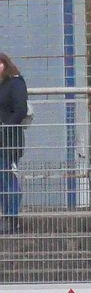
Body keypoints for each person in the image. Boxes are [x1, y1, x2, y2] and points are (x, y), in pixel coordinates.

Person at [0, 53, 28, 234]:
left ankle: (11, 218)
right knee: (2, 180)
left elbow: (20, 110)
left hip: (9, 140)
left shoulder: (15, 82)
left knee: (8, 178)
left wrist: (4, 128)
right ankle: (6, 216)